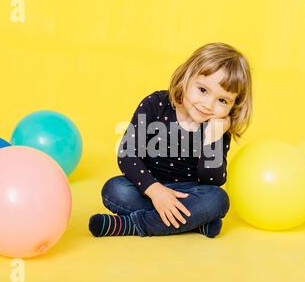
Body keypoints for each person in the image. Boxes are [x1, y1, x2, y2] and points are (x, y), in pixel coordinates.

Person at [89, 42, 253, 238]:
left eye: (222, 100)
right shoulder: (156, 104)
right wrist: (155, 191)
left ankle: (132, 225)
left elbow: (212, 181)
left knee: (218, 199)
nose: (208, 105)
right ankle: (194, 223)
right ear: (185, 78)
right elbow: (127, 155)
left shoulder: (217, 127)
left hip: (189, 193)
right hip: (148, 187)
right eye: (202, 90)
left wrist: (212, 141)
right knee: (115, 190)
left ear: (234, 105)